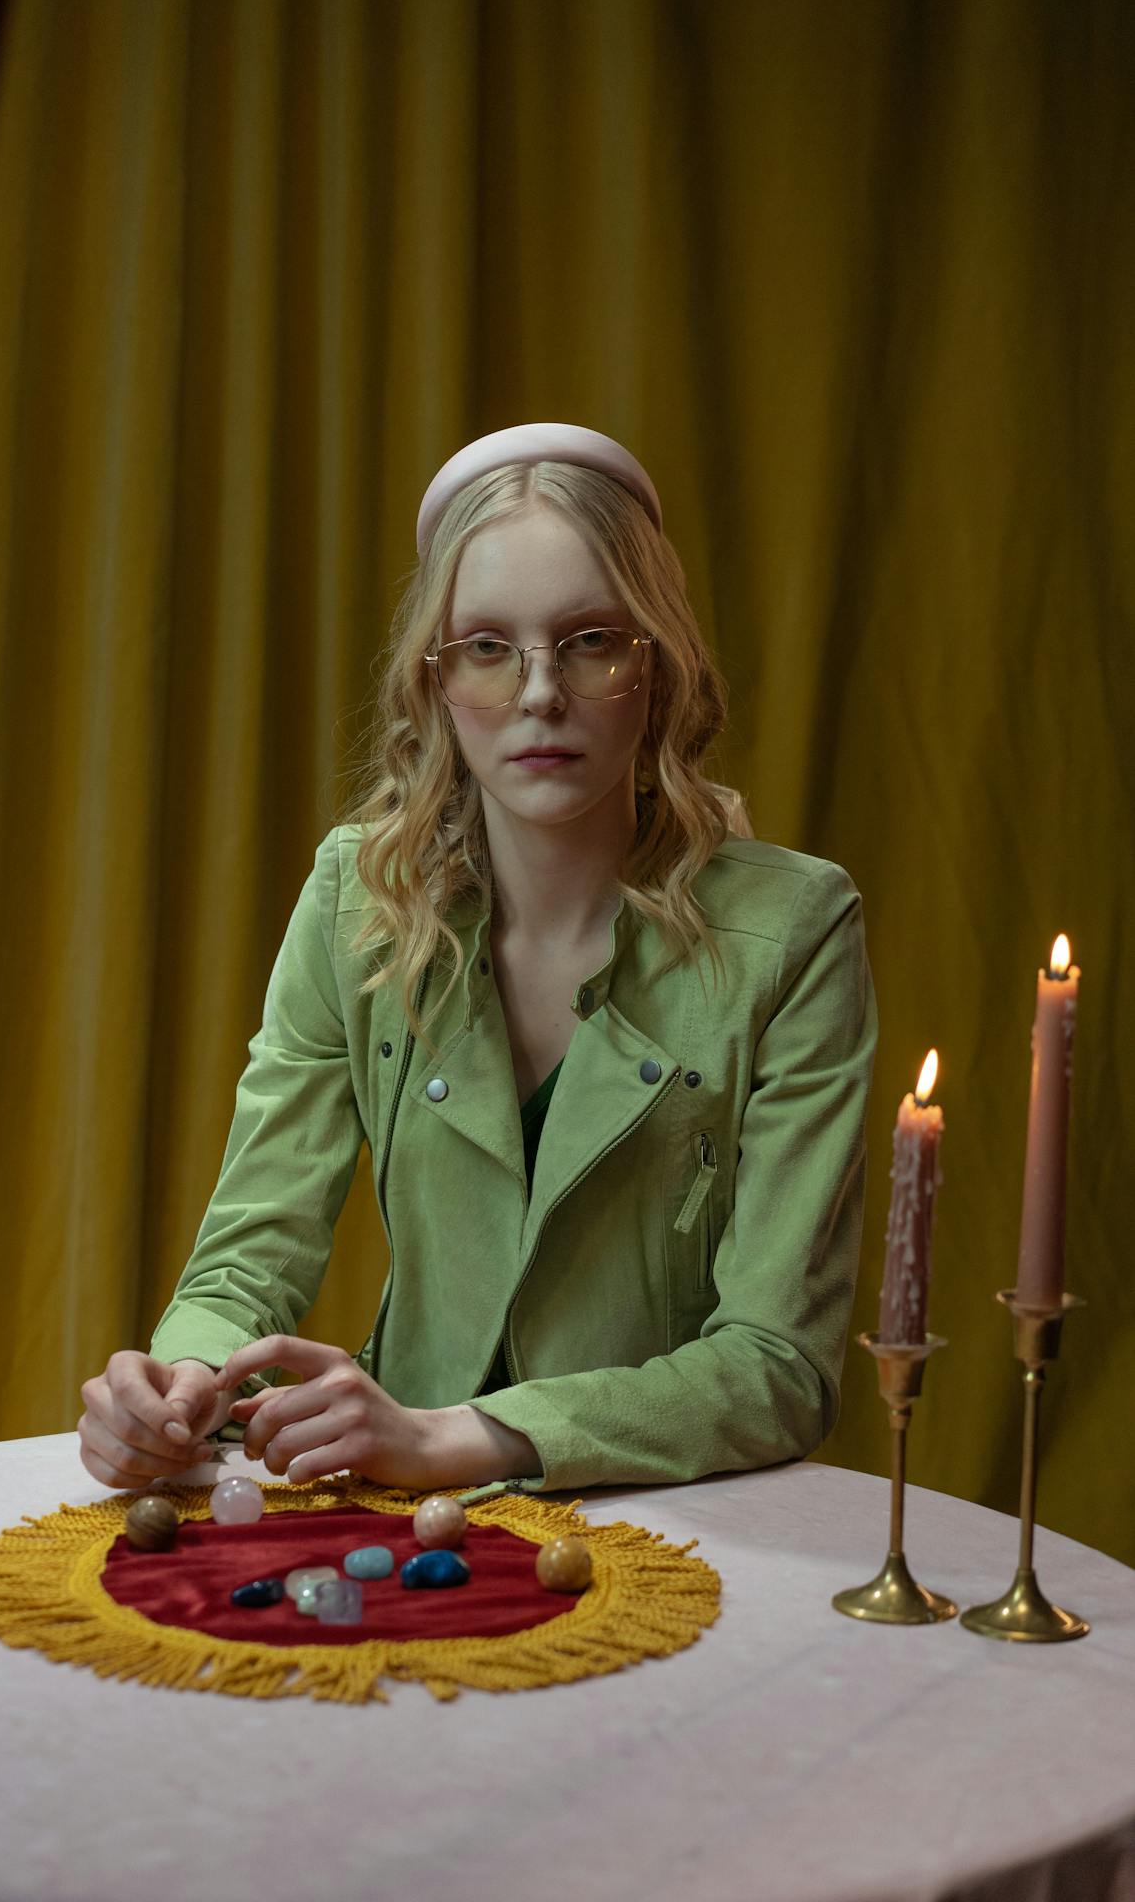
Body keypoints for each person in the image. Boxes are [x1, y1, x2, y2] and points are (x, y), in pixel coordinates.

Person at [78, 422, 879, 1499]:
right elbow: (245, 1259)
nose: (540, 693)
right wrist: (179, 1383)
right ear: (436, 680)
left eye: (590, 639)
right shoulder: (357, 899)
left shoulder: (796, 929)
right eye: (489, 647)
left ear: (656, 665)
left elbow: (778, 1366)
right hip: (395, 1511)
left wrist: (459, 1436)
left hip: (674, 1512)